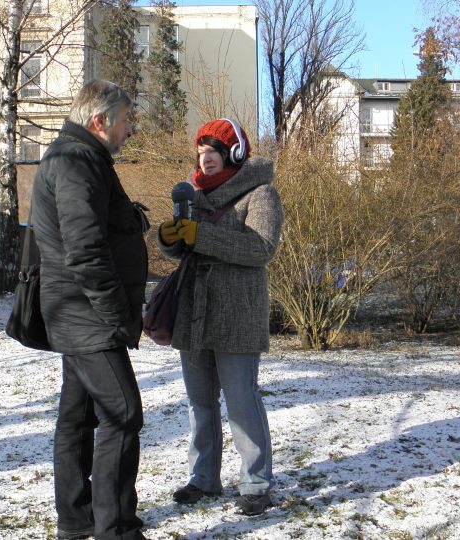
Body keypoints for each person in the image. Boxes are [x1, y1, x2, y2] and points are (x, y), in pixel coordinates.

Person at [31, 80, 148, 540]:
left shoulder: (77, 157)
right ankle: (114, 529)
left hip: (75, 314)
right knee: (123, 414)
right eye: (124, 120)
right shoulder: (76, 163)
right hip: (88, 317)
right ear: (99, 122)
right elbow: (85, 251)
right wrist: (117, 313)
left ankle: (76, 522)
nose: (129, 129)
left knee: (77, 418)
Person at [157, 118, 284, 516]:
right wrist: (171, 240)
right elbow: (186, 252)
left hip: (237, 315)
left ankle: (256, 482)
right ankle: (203, 479)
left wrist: (201, 236)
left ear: (234, 152)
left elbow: (260, 249)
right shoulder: (192, 193)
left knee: (241, 401)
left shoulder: (261, 193)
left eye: (213, 152)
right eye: (200, 153)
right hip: (193, 314)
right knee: (200, 404)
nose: (205, 159)